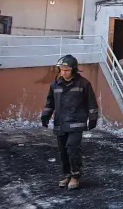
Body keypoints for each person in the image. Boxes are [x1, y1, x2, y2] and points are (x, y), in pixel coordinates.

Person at [40, 55, 98, 190]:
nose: (63, 72)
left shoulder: (83, 84)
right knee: (62, 151)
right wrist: (46, 115)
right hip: (61, 122)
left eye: (66, 70)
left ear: (74, 70)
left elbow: (91, 103)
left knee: (72, 148)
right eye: (61, 69)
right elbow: (50, 103)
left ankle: (75, 176)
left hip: (76, 122)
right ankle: (66, 175)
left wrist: (93, 117)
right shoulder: (54, 85)